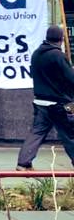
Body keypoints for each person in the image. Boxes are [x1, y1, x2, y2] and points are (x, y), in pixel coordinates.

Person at [17, 25, 74, 170]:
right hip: (57, 103)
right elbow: (70, 78)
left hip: (39, 101)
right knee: (69, 135)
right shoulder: (58, 55)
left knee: (37, 132)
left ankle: (23, 163)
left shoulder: (36, 54)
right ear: (61, 40)